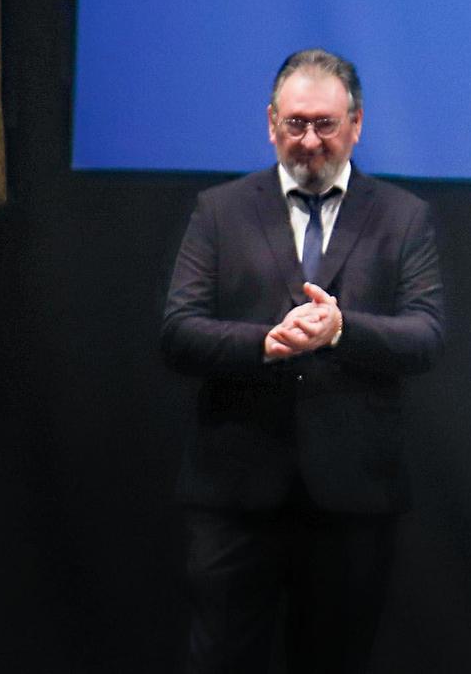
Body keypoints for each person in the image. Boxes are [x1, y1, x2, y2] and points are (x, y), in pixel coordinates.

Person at [161, 49, 445, 673]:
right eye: (295, 124)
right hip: (236, 494)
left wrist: (343, 330)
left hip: (352, 496)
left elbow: (425, 337)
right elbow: (179, 333)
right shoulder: (221, 210)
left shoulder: (403, 216)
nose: (310, 140)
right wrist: (265, 343)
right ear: (270, 124)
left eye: (325, 124)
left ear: (356, 125)